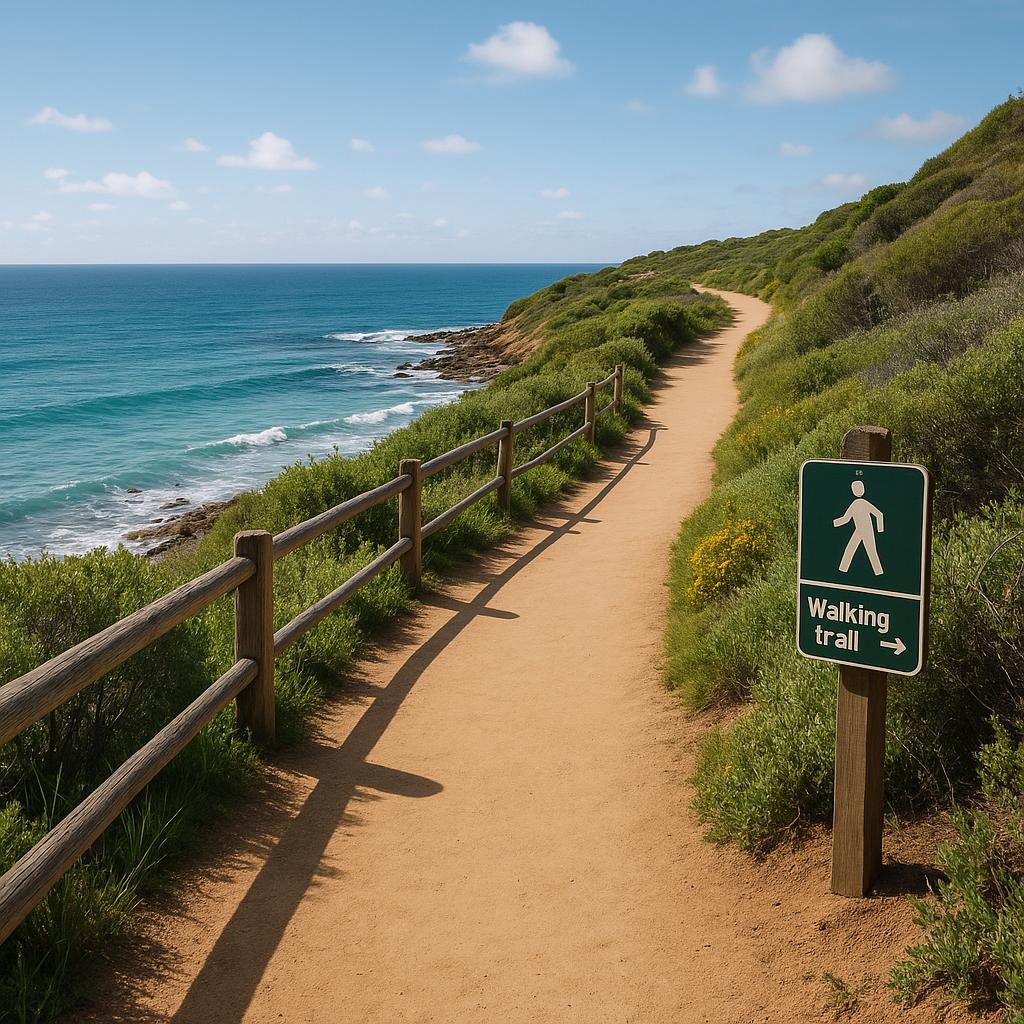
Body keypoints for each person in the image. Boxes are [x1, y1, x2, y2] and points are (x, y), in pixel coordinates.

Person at [833, 480, 884, 576]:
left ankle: (879, 573)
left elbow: (879, 514)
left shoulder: (862, 503)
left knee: (871, 551)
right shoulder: (855, 503)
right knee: (850, 549)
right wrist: (833, 523)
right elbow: (846, 519)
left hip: (867, 531)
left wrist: (880, 530)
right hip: (859, 530)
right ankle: (842, 571)